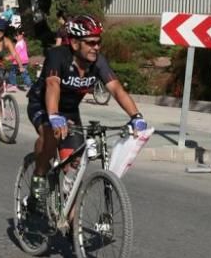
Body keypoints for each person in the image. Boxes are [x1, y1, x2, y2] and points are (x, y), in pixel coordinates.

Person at [26, 15, 147, 221]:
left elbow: (116, 89)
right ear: (74, 43)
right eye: (91, 42)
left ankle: (70, 220)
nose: (96, 47)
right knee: (50, 136)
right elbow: (53, 85)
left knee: (74, 164)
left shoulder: (98, 62)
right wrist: (54, 116)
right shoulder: (58, 56)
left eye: (99, 42)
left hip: (71, 112)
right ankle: (38, 179)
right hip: (44, 106)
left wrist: (136, 117)